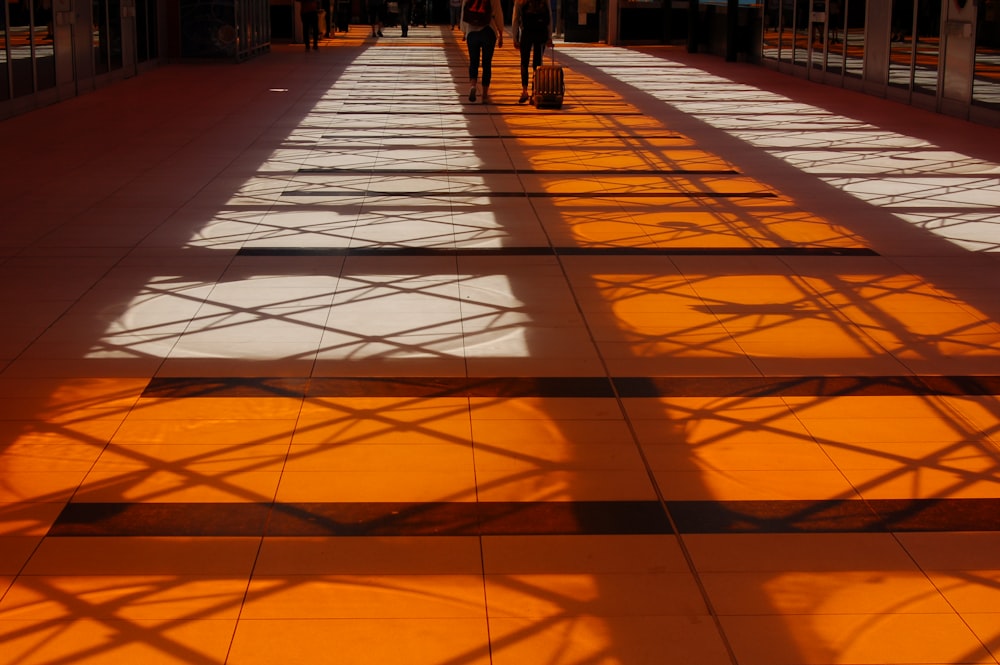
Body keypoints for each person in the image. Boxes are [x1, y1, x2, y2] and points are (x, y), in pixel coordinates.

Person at [461, 0, 505, 103]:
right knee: (487, 63)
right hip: (488, 30)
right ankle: (485, 94)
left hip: (471, 31)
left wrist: (464, 31)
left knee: (473, 61)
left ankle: (473, 85)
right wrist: (501, 32)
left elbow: (464, 11)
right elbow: (498, 13)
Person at [511, 0, 552, 104]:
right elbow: (549, 18)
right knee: (537, 64)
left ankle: (524, 91)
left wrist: (515, 38)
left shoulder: (519, 1)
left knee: (524, 63)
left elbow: (515, 19)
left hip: (526, 34)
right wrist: (549, 37)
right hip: (541, 34)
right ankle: (535, 91)